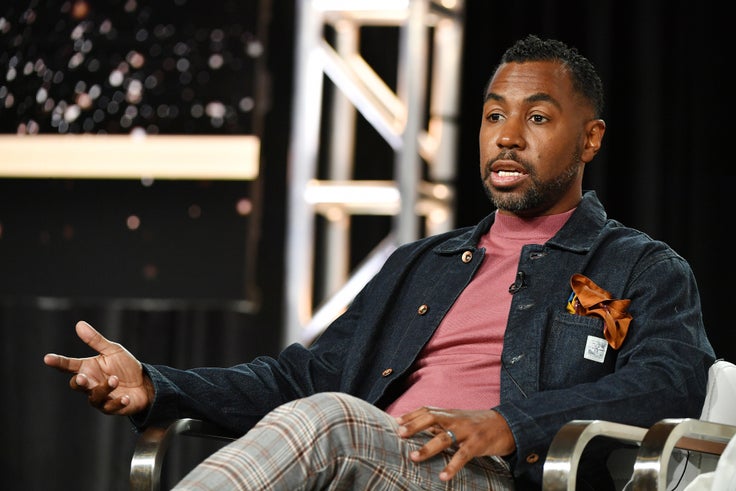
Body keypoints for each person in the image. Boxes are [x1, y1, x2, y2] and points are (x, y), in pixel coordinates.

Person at [44, 34, 715, 490]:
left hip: (483, 476)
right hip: (370, 460)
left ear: (590, 137)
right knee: (326, 415)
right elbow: (299, 375)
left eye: (537, 118)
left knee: (332, 419)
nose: (506, 137)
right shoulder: (423, 263)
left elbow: (668, 382)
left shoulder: (637, 268)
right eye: (491, 116)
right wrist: (158, 383)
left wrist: (510, 424)